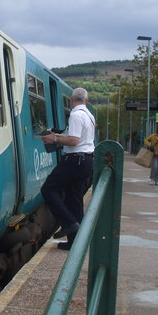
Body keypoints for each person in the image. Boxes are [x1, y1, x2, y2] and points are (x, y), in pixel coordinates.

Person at [41, 87, 96, 250]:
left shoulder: (76, 114)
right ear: (86, 100)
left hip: (75, 160)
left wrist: (55, 138)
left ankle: (69, 223)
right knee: (75, 200)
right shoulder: (89, 115)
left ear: (72, 100)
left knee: (48, 189)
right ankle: (75, 243)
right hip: (86, 160)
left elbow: (73, 140)